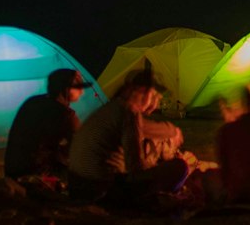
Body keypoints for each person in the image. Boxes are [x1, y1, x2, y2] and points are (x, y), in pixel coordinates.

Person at [67, 66, 188, 206]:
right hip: (101, 191)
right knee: (179, 167)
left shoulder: (111, 108)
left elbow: (143, 130)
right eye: (155, 97)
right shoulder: (129, 112)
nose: (155, 106)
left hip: (76, 186)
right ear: (145, 92)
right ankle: (158, 200)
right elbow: (136, 168)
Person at [3, 67, 89, 181]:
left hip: (12, 167)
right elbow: (81, 145)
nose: (82, 92)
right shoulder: (65, 114)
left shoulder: (32, 102)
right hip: (40, 172)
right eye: (78, 88)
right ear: (66, 89)